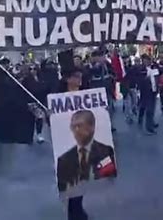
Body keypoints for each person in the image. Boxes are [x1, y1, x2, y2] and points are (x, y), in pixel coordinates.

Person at [58, 68, 117, 220]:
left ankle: (76, 209)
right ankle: (75, 212)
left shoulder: (86, 95)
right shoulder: (59, 98)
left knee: (82, 180)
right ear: (67, 79)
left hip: (85, 146)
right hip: (66, 144)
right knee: (72, 181)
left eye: (80, 77)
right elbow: (55, 122)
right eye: (76, 77)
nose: (79, 79)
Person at [22, 64, 47, 143]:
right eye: (31, 69)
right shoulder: (26, 80)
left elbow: (44, 88)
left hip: (39, 101)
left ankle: (39, 134)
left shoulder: (41, 78)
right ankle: (29, 137)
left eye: (34, 69)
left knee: (39, 118)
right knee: (30, 120)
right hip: (30, 101)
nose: (33, 71)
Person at [136, 54, 159, 135]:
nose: (147, 62)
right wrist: (145, 78)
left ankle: (150, 122)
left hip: (153, 90)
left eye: (148, 60)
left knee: (151, 108)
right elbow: (139, 80)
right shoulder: (141, 69)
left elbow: (158, 77)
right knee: (148, 109)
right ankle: (149, 128)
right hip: (145, 91)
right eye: (145, 60)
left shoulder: (154, 67)